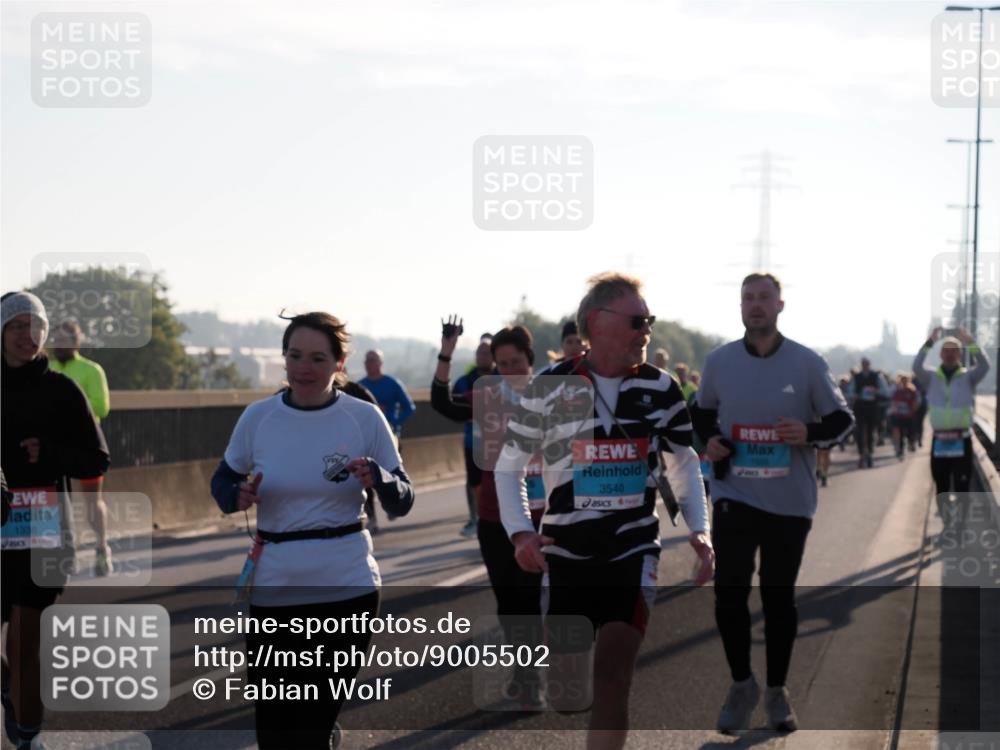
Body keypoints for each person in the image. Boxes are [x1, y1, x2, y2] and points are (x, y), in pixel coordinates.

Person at [496, 273, 714, 750]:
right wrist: (520, 536)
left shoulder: (663, 388)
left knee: (615, 674)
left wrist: (700, 531)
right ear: (598, 322)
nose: (647, 330)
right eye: (638, 320)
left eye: (649, 320)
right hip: (565, 552)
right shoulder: (549, 387)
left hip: (632, 549)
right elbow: (507, 467)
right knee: (569, 694)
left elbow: (683, 463)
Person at [210, 311, 414, 749]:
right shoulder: (258, 418)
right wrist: (237, 496)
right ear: (283, 359)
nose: (304, 367)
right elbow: (222, 481)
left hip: (346, 584)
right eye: (295, 355)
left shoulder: (364, 417)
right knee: (274, 729)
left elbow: (404, 498)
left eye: (318, 358)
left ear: (339, 364)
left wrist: (379, 477)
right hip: (275, 585)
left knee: (309, 726)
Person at [691, 273, 854, 734]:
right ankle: (742, 683)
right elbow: (701, 413)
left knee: (778, 597)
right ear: (740, 307)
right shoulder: (720, 361)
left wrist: (810, 434)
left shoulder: (806, 363)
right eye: (748, 298)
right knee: (729, 594)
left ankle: (778, 692)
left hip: (790, 503)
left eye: (764, 298)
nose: (755, 305)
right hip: (733, 495)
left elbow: (843, 419)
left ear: (780, 305)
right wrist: (712, 442)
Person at [1, 292, 109, 750]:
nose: (29, 335)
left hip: (40, 526)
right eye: (17, 326)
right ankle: (9, 688)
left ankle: (28, 737)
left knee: (25, 644)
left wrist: (50, 452)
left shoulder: (63, 390)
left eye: (36, 325)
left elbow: (96, 457)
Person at [431, 321, 546, 707]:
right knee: (508, 602)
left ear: (530, 361)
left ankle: (530, 682)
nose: (509, 371)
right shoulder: (488, 396)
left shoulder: (554, 398)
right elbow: (443, 403)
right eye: (502, 364)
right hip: (494, 516)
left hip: (540, 517)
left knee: (529, 599)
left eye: (516, 362)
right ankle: (525, 673)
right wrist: (447, 352)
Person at [48, 320, 113, 576]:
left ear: (77, 342)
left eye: (65, 341)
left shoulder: (91, 370)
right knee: (57, 503)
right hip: (54, 447)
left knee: (91, 502)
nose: (59, 346)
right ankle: (67, 551)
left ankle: (100, 547)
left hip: (85, 445)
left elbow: (101, 407)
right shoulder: (47, 368)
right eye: (56, 341)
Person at [911, 326, 990, 525]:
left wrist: (970, 342)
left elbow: (984, 365)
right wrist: (930, 341)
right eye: (945, 351)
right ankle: (947, 523)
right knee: (942, 485)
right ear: (940, 354)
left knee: (962, 486)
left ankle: (961, 525)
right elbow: (916, 365)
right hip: (940, 441)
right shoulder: (930, 377)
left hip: (962, 439)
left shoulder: (968, 376)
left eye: (954, 351)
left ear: (959, 355)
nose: (949, 355)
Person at [449, 329, 496, 538]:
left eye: (486, 353)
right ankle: (477, 518)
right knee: (475, 483)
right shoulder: (465, 381)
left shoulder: (503, 377)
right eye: (479, 353)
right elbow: (453, 407)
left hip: (500, 442)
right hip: (473, 441)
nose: (482, 357)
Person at [359, 350, 416, 439]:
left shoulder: (393, 384)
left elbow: (409, 408)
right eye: (367, 361)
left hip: (390, 435)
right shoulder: (359, 386)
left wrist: (395, 422)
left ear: (380, 363)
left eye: (372, 360)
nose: (368, 364)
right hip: (366, 436)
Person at [849, 358, 889, 468]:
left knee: (871, 431)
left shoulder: (877, 376)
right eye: (863, 364)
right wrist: (854, 396)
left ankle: (870, 453)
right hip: (860, 407)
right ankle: (862, 453)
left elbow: (885, 391)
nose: (865, 365)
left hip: (872, 407)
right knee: (859, 431)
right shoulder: (856, 377)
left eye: (866, 364)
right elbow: (850, 392)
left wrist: (876, 391)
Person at [888, 373, 920, 460]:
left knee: (910, 432)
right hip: (900, 416)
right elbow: (894, 403)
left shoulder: (912, 391)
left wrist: (912, 410)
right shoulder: (897, 392)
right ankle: (900, 451)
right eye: (902, 381)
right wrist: (895, 411)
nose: (904, 382)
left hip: (910, 416)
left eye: (906, 381)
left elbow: (916, 402)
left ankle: (911, 443)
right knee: (901, 434)